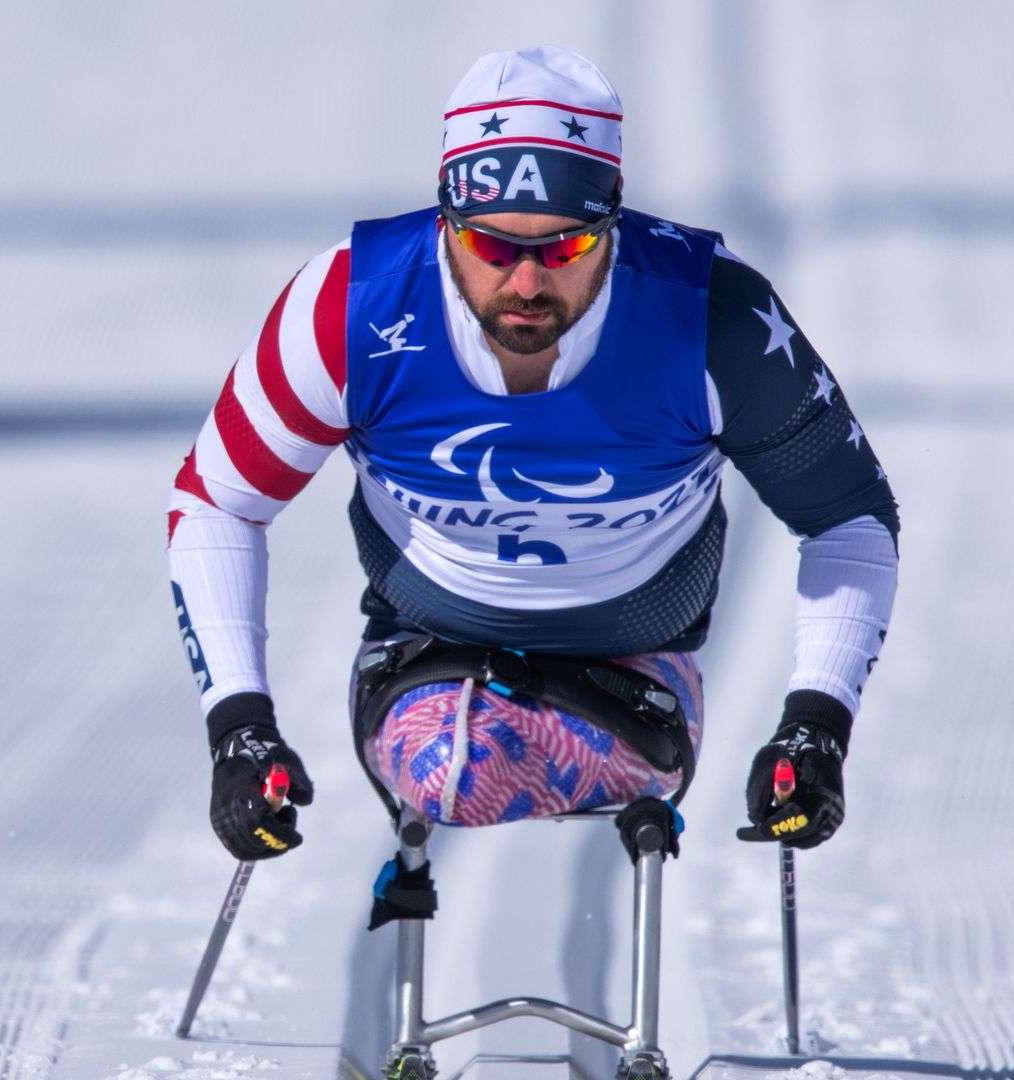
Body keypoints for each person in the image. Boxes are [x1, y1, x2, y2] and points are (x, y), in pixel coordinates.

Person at [167, 46, 897, 868]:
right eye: (489, 246)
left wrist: (816, 723)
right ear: (443, 219)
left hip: (639, 676)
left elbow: (850, 521)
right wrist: (239, 727)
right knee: (458, 767)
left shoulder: (713, 318)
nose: (524, 281)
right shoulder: (347, 307)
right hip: (422, 656)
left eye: (564, 249)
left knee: (470, 764)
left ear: (614, 221)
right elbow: (219, 501)